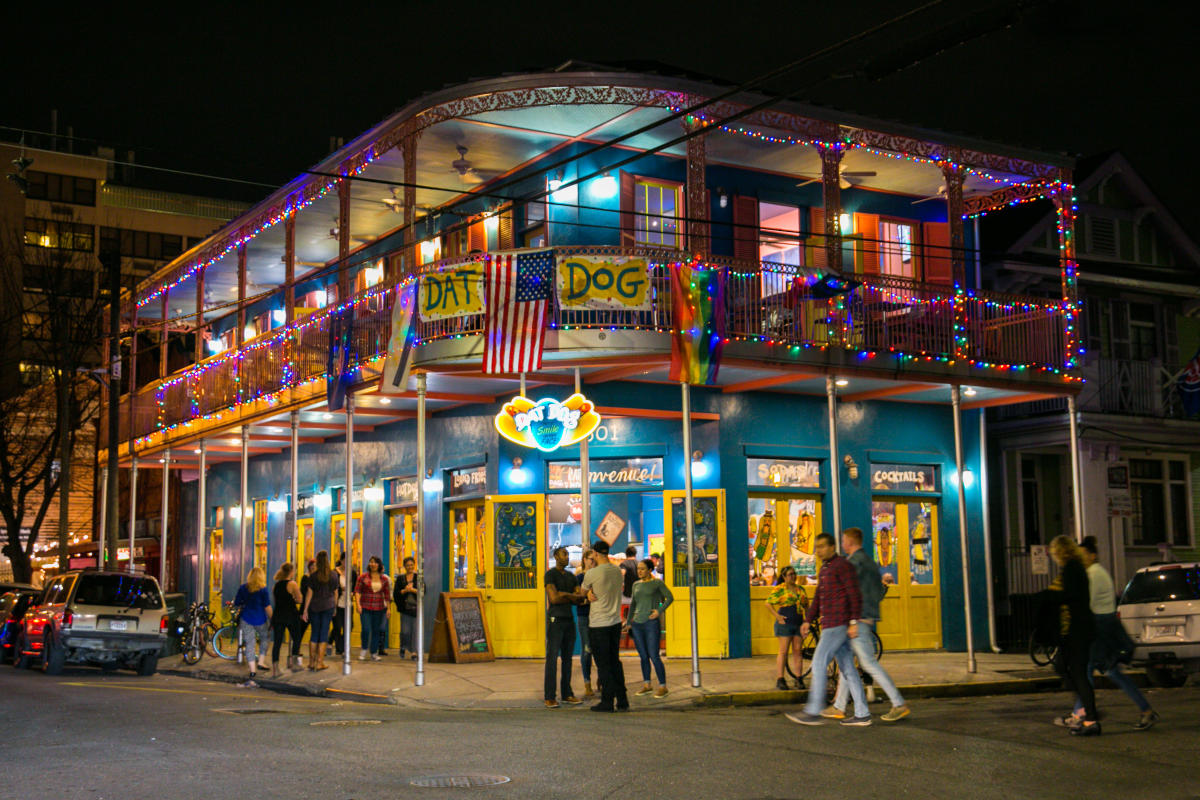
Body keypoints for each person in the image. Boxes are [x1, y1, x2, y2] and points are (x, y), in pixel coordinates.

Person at [1057, 536, 1157, 731]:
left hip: (1100, 628)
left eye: (1083, 555)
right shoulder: (1094, 573)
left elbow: (1085, 603)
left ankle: (1079, 714)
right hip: (1103, 627)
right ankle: (1146, 710)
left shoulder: (1094, 574)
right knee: (1111, 672)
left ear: (1092, 555)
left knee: (1086, 670)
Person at [825, 528, 910, 722]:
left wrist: (851, 620)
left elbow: (848, 593)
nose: (842, 544)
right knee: (848, 662)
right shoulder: (870, 562)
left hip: (857, 620)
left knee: (867, 663)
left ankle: (898, 703)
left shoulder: (853, 563)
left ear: (850, 542)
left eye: (844, 541)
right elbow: (879, 592)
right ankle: (839, 706)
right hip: (866, 618)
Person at [785, 533, 870, 727]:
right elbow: (818, 598)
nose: (819, 550)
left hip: (837, 624)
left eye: (823, 546)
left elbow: (854, 594)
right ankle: (863, 714)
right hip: (832, 624)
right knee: (848, 669)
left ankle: (813, 711)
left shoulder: (843, 566)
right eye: (817, 547)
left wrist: (854, 622)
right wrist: (808, 620)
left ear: (832, 547)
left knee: (818, 662)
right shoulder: (825, 569)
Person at [1048, 534, 1100, 736]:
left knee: (1076, 673)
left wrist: (1050, 598)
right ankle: (1086, 712)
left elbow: (1070, 597)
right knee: (1065, 668)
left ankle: (1090, 719)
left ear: (1060, 552)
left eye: (1054, 552)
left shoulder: (1072, 569)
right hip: (1078, 629)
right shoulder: (1075, 568)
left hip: (1077, 630)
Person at [581, 540, 629, 712]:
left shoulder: (592, 574)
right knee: (615, 661)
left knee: (603, 664)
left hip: (598, 624)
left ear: (595, 553)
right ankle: (622, 699)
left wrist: (588, 592)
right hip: (615, 623)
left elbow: (581, 593)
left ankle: (607, 701)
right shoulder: (617, 571)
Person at [624, 558, 673, 698]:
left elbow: (669, 597)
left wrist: (659, 611)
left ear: (650, 570)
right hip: (637, 624)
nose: (639, 571)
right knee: (643, 656)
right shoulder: (636, 584)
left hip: (651, 623)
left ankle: (663, 686)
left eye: (642, 569)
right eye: (638, 569)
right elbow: (633, 604)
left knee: (654, 655)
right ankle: (647, 685)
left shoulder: (657, 583)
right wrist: (628, 622)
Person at [544, 546, 585, 707]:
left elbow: (580, 598)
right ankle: (549, 696)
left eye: (567, 554)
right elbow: (553, 598)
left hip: (569, 620)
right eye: (564, 554)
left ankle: (567, 694)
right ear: (555, 556)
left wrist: (564, 594)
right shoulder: (550, 575)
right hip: (555, 619)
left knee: (567, 659)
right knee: (552, 658)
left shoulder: (571, 576)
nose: (567, 557)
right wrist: (570, 596)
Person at [765, 565, 807, 691]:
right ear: (784, 577)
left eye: (794, 574)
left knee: (798, 651)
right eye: (790, 574)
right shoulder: (780, 589)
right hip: (785, 623)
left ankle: (798, 678)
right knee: (783, 651)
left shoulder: (800, 589)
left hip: (798, 622)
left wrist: (807, 620)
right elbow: (768, 603)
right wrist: (777, 616)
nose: (793, 576)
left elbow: (806, 605)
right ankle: (780, 679)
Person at [233, 566, 272, 687]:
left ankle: (252, 670)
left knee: (250, 643)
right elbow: (267, 607)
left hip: (246, 619)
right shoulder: (263, 590)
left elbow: (237, 603)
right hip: (260, 620)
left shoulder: (243, 588)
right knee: (265, 638)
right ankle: (261, 662)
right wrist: (273, 619)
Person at [300, 550, 339, 671]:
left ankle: (311, 662)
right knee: (324, 633)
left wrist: (305, 610)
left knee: (314, 633)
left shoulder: (313, 576)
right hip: (328, 606)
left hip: (314, 607)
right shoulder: (333, 575)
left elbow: (309, 594)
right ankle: (320, 662)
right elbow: (335, 593)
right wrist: (335, 607)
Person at [354, 556, 391, 661]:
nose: (372, 564)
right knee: (366, 629)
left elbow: (387, 595)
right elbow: (357, 591)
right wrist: (358, 604)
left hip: (379, 608)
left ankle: (374, 652)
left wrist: (388, 609)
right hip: (365, 607)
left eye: (375, 562)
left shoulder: (384, 579)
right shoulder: (363, 577)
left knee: (376, 630)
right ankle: (364, 649)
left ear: (379, 565)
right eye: (371, 562)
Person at [270, 563, 304, 674]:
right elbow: (300, 599)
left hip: (278, 615)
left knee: (277, 642)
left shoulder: (276, 586)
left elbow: (277, 600)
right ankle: (294, 664)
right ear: (291, 572)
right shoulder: (292, 584)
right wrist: (293, 598)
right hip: (290, 615)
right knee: (297, 638)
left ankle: (275, 668)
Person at [576, 548, 597, 697]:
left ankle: (601, 681)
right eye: (591, 559)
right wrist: (586, 599)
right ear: (584, 560)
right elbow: (577, 599)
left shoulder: (599, 576)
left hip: (599, 616)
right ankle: (587, 683)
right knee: (587, 649)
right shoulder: (579, 578)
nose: (593, 562)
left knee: (600, 649)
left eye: (595, 559)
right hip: (584, 616)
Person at [393, 556, 420, 659]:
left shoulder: (418, 577)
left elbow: (423, 591)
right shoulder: (400, 578)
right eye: (408, 565)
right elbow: (396, 593)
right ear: (404, 566)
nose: (410, 567)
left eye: (411, 565)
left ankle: (414, 652)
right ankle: (403, 646)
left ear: (414, 565)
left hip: (416, 608)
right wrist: (405, 590)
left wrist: (412, 590)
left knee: (415, 631)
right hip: (405, 608)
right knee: (405, 631)